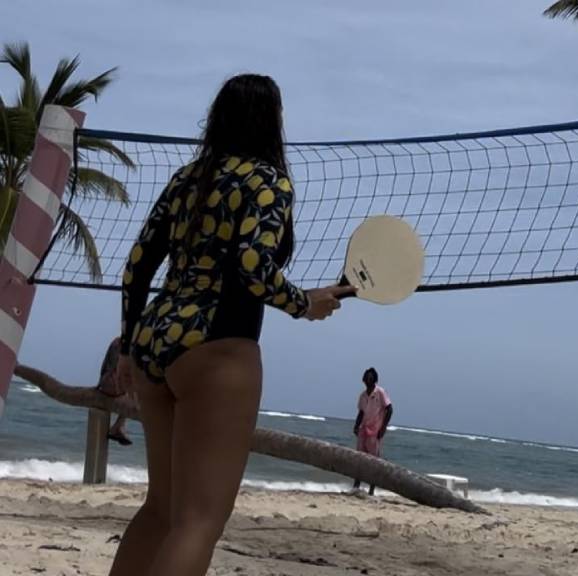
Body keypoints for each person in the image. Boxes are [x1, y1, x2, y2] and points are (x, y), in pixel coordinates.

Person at [107, 74, 352, 576]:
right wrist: (304, 303)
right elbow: (251, 266)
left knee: (161, 510)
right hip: (217, 348)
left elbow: (136, 267)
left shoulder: (188, 178)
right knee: (198, 521)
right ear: (272, 121)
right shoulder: (268, 181)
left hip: (157, 338)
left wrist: (130, 347)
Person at [352, 367, 393, 496]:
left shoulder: (380, 392)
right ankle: (356, 486)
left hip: (375, 431)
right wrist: (356, 426)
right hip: (364, 429)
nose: (368, 379)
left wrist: (383, 428)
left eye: (371, 377)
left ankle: (371, 490)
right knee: (359, 458)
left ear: (374, 379)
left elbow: (390, 409)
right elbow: (361, 412)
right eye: (366, 377)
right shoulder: (363, 396)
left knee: (374, 461)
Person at [96, 336, 135, 446]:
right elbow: (121, 371)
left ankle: (119, 425)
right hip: (112, 383)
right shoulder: (127, 344)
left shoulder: (117, 341)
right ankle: (119, 426)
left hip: (104, 382)